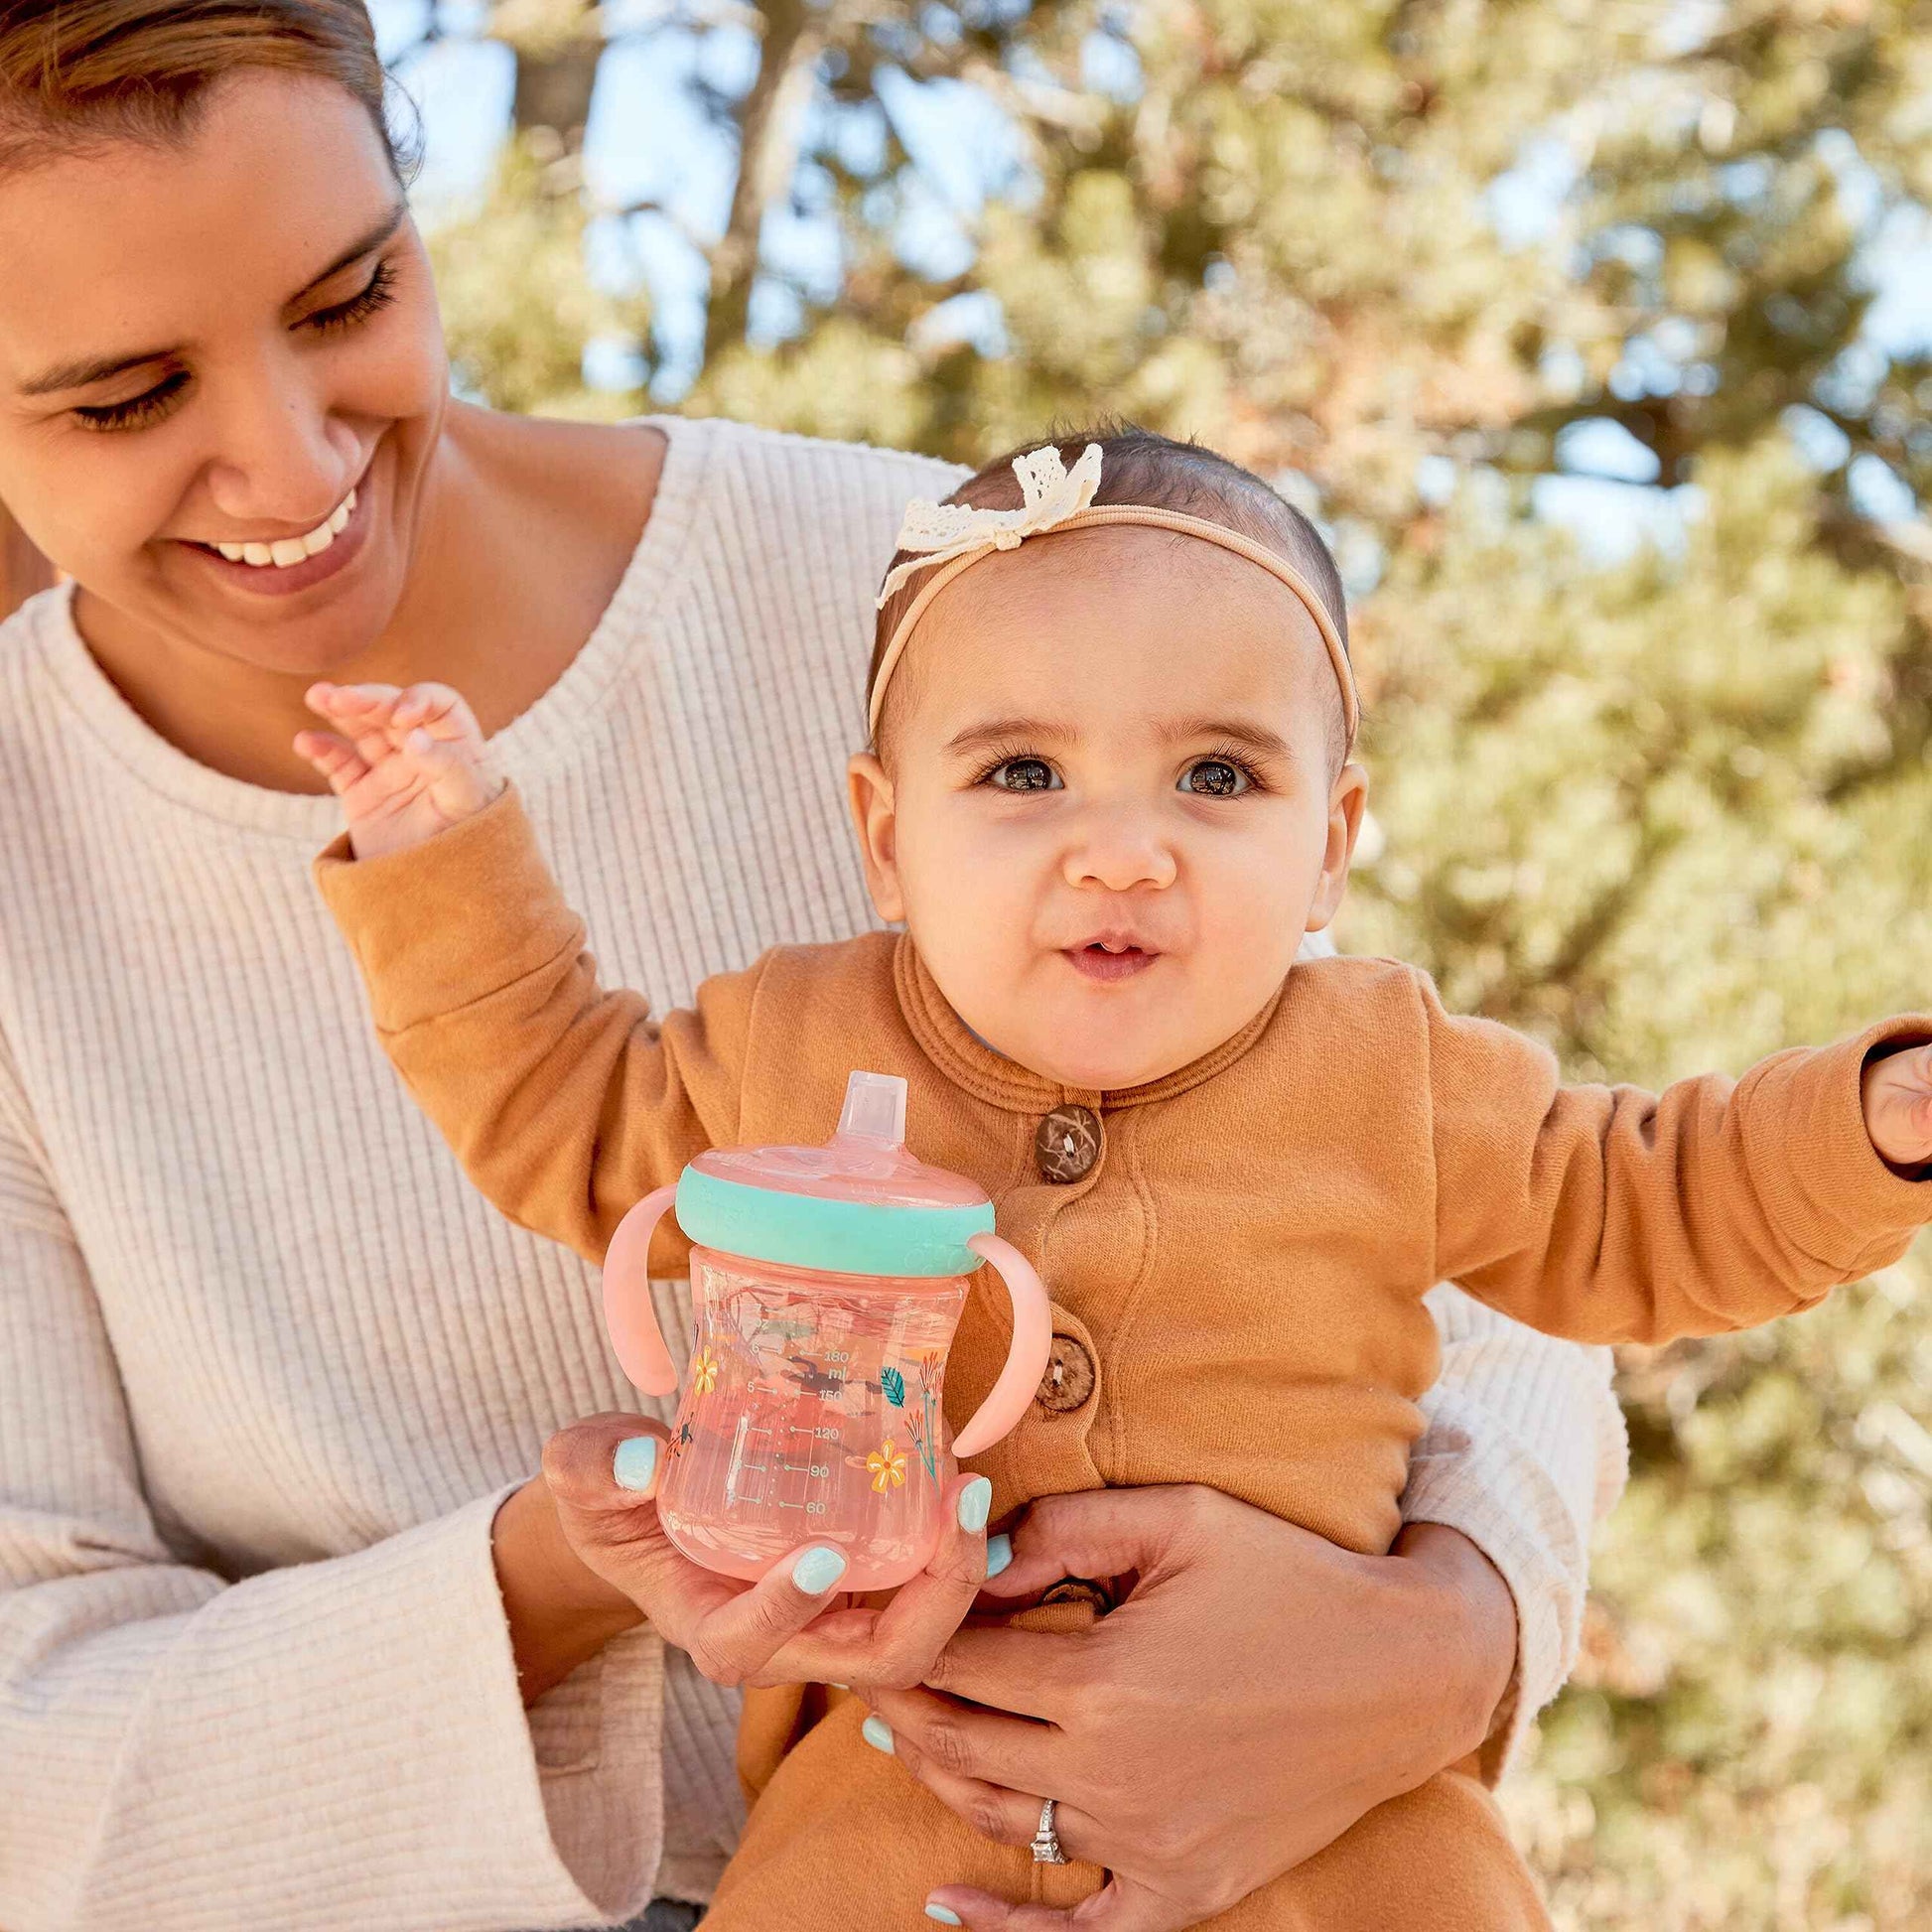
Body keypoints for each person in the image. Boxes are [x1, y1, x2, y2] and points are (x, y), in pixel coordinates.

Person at [0, 6, 1624, 1929]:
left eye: (352, 292)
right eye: (121, 400)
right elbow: (35, 1751)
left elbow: (1453, 1207)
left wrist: (1447, 1631)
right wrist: (573, 1567)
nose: (285, 463)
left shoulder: (908, 586)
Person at [298, 428, 1932, 1929]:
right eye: (1022, 773)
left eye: (1216, 777)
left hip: (1336, 1814)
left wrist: (1872, 1122)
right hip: (897, 1794)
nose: (1121, 847)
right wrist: (444, 852)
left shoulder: (1398, 1073)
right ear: (884, 835)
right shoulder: (790, 1043)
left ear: (1332, 839)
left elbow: (1652, 1199)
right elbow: (565, 1112)